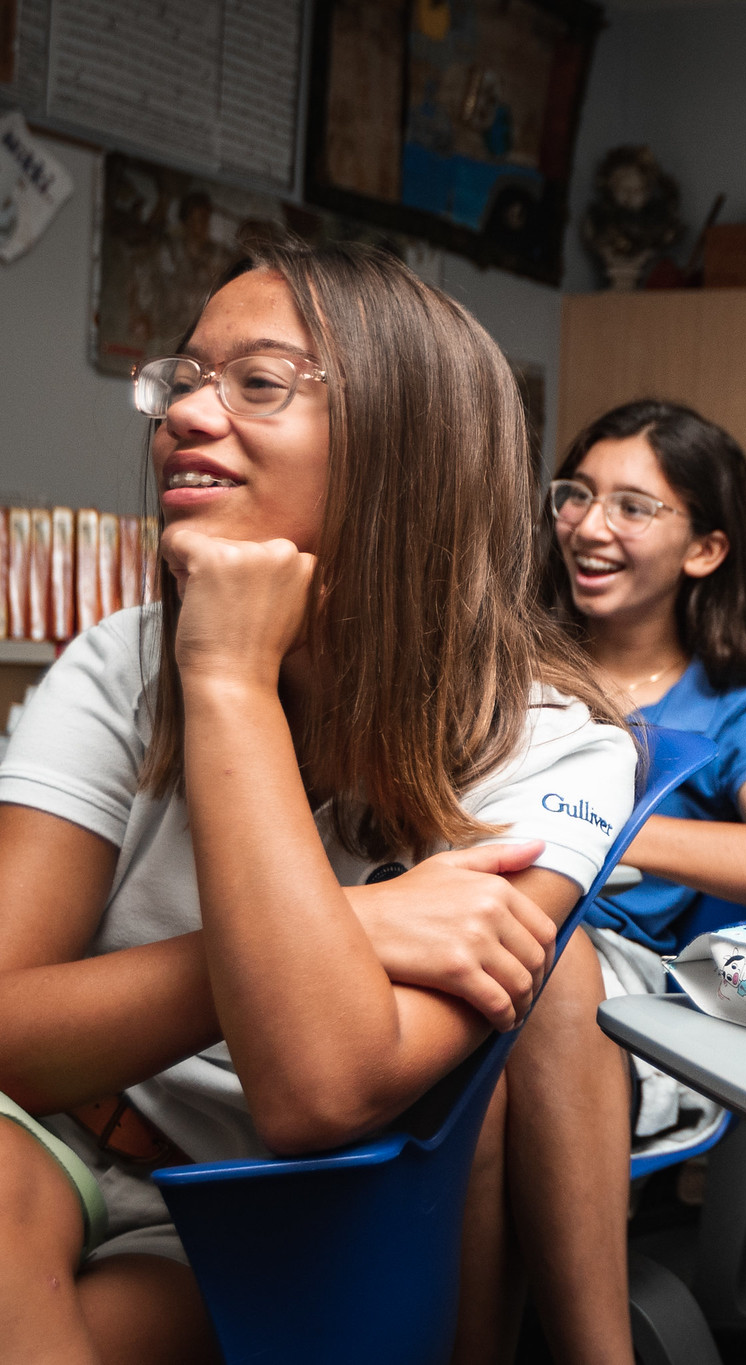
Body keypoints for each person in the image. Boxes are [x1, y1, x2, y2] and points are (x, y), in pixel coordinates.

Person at [0, 238, 643, 1363]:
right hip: (41, 1137)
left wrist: (232, 679)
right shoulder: (115, 661)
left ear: (407, 443)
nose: (187, 415)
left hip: (248, 1200)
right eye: (186, 379)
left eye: (256, 383)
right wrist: (350, 930)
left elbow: (317, 1091)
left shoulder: (555, 750)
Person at [540, 399, 746, 1158]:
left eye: (633, 507)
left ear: (705, 550)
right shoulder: (512, 665)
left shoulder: (740, 703)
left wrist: (592, 819)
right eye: (576, 493)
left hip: (605, 963)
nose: (589, 525)